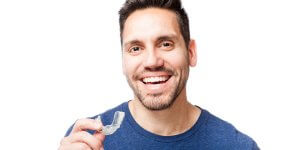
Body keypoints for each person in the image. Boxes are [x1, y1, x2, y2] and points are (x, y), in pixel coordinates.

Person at [59, 0, 259, 149]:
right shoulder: (85, 140)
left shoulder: (237, 146)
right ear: (123, 59)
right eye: (136, 48)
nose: (152, 61)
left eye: (165, 44)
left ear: (191, 53)